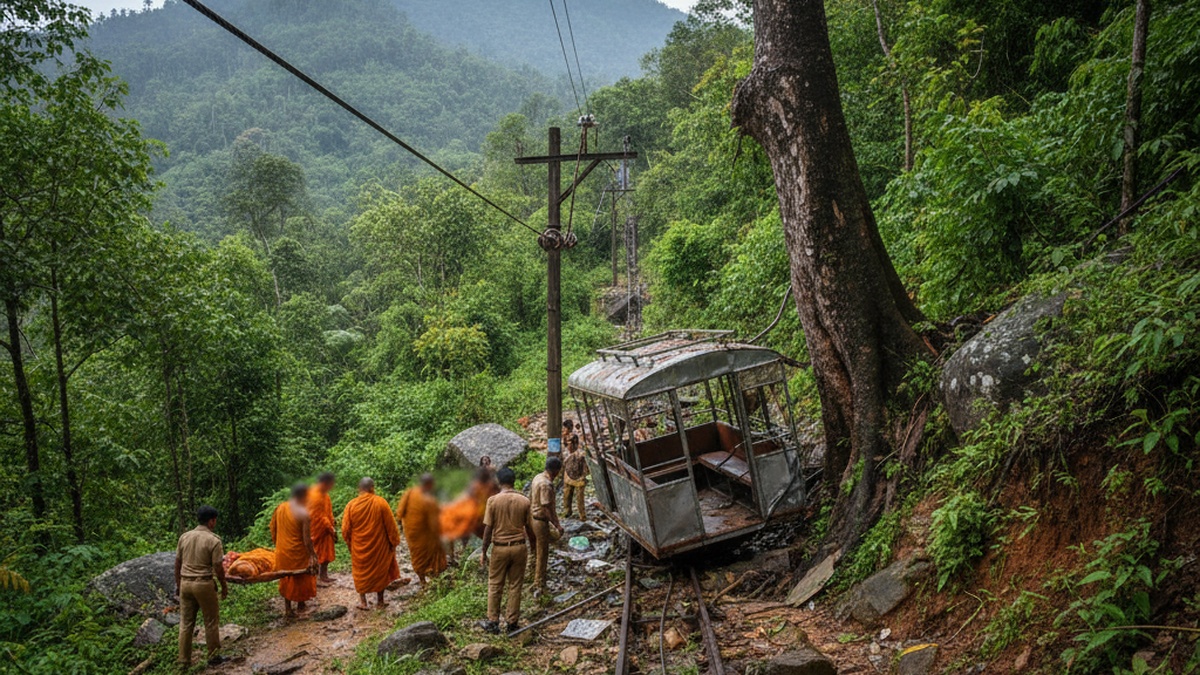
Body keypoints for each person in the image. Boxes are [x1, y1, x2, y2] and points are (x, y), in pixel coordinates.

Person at [479, 467, 537, 635]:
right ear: (514, 481)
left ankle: (493, 622)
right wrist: (532, 547)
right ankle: (512, 622)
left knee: (495, 584)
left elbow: (488, 529)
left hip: (500, 548)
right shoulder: (524, 501)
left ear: (499, 482)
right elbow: (529, 528)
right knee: (515, 584)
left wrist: (484, 550)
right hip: (519, 547)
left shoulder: (493, 501)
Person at [174, 505, 229, 668]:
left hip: (185, 583)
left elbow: (177, 563)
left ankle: (183, 660)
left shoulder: (184, 537)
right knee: (211, 621)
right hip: (203, 583)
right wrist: (223, 586)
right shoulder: (214, 540)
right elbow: (218, 567)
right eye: (215, 520)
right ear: (211, 521)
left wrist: (178, 584)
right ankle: (213, 657)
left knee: (185, 622)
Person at [342, 477, 402, 610]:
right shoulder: (380, 503)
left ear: (359, 489)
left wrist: (350, 544)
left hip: (359, 547)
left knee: (360, 572)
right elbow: (391, 526)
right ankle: (380, 601)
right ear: (372, 488)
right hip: (379, 547)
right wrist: (394, 542)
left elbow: (345, 530)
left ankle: (363, 602)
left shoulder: (351, 505)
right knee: (380, 571)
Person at [270, 483, 318, 619]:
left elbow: (273, 529)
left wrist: (279, 545)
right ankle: (301, 605)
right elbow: (307, 540)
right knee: (301, 577)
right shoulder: (303, 513)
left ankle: (288, 609)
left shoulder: (280, 508)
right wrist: (313, 555)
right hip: (297, 552)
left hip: (283, 552)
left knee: (287, 578)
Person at [396, 473, 447, 584]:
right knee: (435, 552)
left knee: (417, 557)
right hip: (425, 534)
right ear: (429, 484)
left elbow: (399, 513)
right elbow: (434, 525)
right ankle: (435, 578)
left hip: (411, 533)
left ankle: (422, 581)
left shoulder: (409, 493)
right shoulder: (430, 500)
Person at [529, 456, 564, 592]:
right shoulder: (546, 485)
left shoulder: (538, 477)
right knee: (543, 552)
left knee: (537, 548)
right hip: (540, 521)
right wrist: (556, 524)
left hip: (533, 518)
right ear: (555, 471)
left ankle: (532, 572)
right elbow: (546, 507)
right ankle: (539, 584)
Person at [308, 472, 337, 586]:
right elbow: (319, 516)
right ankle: (314, 578)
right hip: (318, 529)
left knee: (326, 554)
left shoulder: (324, 494)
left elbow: (328, 512)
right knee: (316, 553)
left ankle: (323, 576)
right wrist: (331, 528)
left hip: (325, 528)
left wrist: (332, 524)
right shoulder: (315, 495)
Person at [561, 429, 589, 519]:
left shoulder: (581, 454)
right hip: (568, 475)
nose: (568, 445)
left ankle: (582, 515)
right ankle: (567, 511)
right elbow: (564, 464)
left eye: (570, 443)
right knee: (567, 494)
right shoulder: (566, 452)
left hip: (579, 477)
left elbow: (586, 467)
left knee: (580, 498)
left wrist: (584, 475)